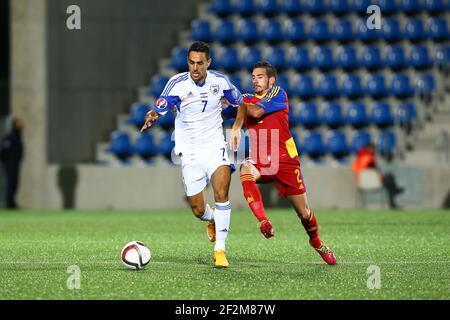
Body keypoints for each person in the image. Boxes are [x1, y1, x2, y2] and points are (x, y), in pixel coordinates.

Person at [140, 41, 243, 268]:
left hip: (215, 146)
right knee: (197, 208)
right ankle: (213, 219)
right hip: (190, 152)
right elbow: (161, 106)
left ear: (208, 63)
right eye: (191, 63)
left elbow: (240, 103)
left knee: (222, 191)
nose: (195, 68)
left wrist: (236, 125)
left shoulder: (221, 82)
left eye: (199, 63)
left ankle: (220, 251)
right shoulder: (177, 84)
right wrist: (153, 115)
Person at [227, 61, 336, 265]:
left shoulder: (278, 93)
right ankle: (263, 221)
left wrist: (237, 107)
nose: (255, 80)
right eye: (253, 77)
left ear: (271, 79)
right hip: (260, 159)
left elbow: (256, 112)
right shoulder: (246, 100)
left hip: (285, 160)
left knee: (304, 213)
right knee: (245, 169)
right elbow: (223, 110)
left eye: (260, 77)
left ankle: (316, 242)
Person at [352, 142, 404, 209]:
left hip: (361, 183)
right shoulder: (370, 158)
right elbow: (375, 171)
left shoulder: (358, 159)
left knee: (389, 182)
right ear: (369, 148)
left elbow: (356, 170)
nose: (374, 150)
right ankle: (394, 196)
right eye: (373, 148)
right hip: (373, 181)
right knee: (390, 177)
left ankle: (394, 195)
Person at [0, 117, 24, 209]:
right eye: (19, 123)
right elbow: (3, 151)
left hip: (16, 164)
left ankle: (12, 202)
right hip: (9, 164)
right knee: (10, 183)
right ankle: (9, 204)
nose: (21, 125)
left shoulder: (18, 136)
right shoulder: (9, 137)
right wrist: (6, 162)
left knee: (15, 184)